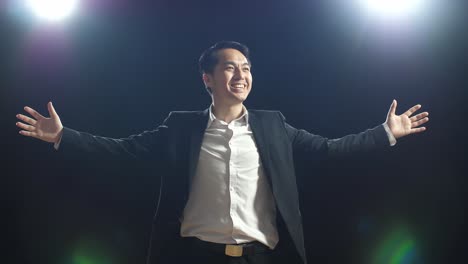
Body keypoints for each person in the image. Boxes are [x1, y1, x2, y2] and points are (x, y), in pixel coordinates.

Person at [16, 41, 429, 264]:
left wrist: (385, 133)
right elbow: (123, 151)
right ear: (208, 79)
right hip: (195, 256)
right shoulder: (181, 126)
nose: (241, 74)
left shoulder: (272, 125)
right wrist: (62, 136)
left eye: (246, 67)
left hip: (262, 258)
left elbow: (330, 149)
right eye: (230, 67)